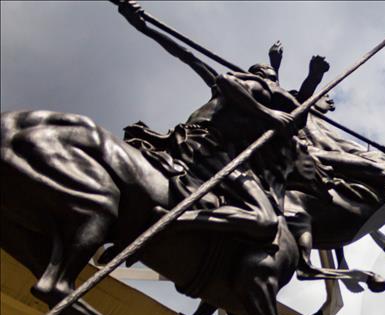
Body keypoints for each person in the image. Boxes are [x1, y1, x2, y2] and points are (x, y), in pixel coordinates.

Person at [117, 0, 303, 243]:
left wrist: (142, 26)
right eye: (263, 74)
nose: (268, 79)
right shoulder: (235, 88)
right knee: (266, 220)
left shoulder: (249, 101)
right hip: (207, 147)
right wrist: (142, 26)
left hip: (201, 143)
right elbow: (189, 57)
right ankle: (171, 222)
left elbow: (188, 56)